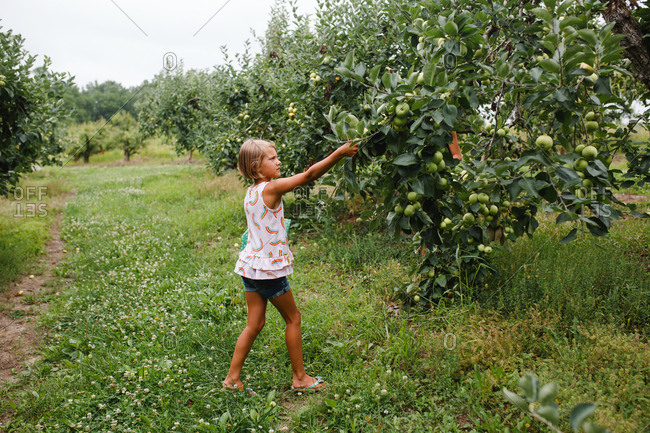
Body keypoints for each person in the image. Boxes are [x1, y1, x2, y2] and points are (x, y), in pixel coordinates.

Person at [223, 138, 358, 393]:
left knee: (255, 323)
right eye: (272, 159)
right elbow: (309, 176)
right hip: (268, 271)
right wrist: (339, 153)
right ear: (256, 167)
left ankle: (232, 379)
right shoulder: (271, 189)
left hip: (250, 268)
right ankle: (300, 378)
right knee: (293, 318)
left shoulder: (251, 193)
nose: (279, 161)